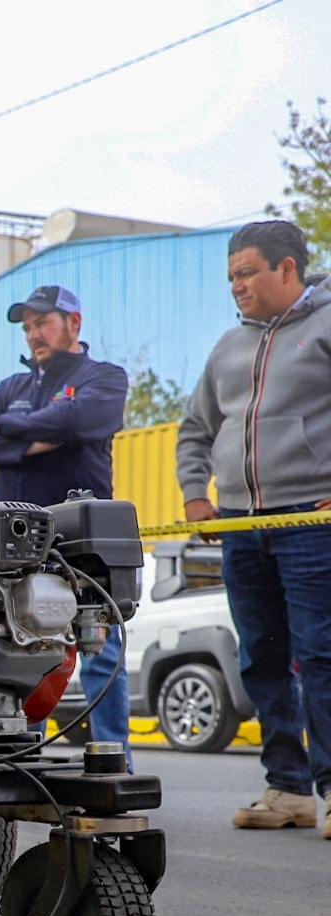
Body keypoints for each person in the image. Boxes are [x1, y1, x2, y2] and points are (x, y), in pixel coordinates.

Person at [176, 219, 331, 836]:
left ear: (287, 270)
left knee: (321, 653)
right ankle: (287, 789)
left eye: (247, 273)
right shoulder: (227, 347)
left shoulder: (323, 328)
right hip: (241, 525)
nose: (237, 287)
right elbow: (194, 427)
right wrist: (195, 496)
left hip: (311, 522)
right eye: (231, 277)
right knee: (261, 657)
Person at [0, 285, 132, 766]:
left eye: (42, 322)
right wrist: (37, 442)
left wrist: (15, 428)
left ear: (73, 323)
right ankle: (21, 755)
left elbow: (84, 415)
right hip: (10, 541)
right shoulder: (10, 388)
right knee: (16, 647)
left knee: (98, 648)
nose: (33, 333)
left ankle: (113, 760)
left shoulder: (103, 377)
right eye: (27, 326)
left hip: (79, 539)